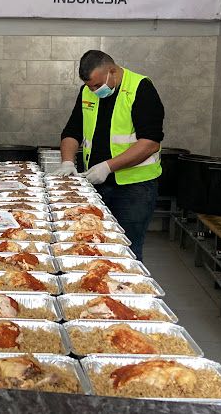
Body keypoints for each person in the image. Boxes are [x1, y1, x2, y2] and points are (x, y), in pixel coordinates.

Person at [54, 50, 164, 260]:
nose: (94, 91)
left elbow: (150, 143)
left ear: (112, 71)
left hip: (134, 189)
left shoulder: (141, 88)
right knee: (91, 243)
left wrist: (108, 167)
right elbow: (72, 131)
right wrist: (67, 162)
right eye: (89, 86)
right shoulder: (87, 92)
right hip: (95, 185)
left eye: (97, 85)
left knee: (126, 251)